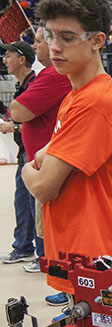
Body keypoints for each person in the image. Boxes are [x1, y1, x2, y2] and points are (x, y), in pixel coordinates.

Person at [22, 0, 112, 307]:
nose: (54, 47)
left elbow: (43, 185)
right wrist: (40, 161)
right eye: (49, 35)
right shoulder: (77, 96)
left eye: (67, 38)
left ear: (97, 40)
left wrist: (25, 169)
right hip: (84, 250)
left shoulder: (94, 102)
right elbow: (47, 156)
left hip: (94, 255)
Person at [6, 27, 72, 274]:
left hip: (45, 160)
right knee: (36, 210)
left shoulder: (51, 76)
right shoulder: (49, 76)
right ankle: (49, 261)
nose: (34, 46)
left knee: (44, 215)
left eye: (37, 41)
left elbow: (19, 111)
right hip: (41, 157)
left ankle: (52, 264)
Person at [0, 42, 38, 267]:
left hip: (33, 154)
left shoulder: (34, 86)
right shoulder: (23, 85)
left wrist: (13, 127)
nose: (4, 60)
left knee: (33, 204)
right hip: (25, 151)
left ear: (22, 59)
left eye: (8, 55)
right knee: (23, 201)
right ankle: (23, 246)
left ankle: (39, 253)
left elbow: (44, 124)